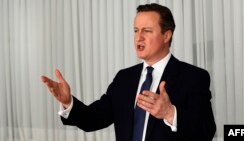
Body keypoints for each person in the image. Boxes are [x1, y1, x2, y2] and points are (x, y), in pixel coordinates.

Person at [41, 3, 216, 141]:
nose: (138, 37)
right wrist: (68, 102)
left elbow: (206, 132)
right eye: (135, 30)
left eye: (147, 31)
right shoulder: (124, 78)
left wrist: (170, 113)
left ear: (166, 36)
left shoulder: (194, 77)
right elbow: (93, 119)